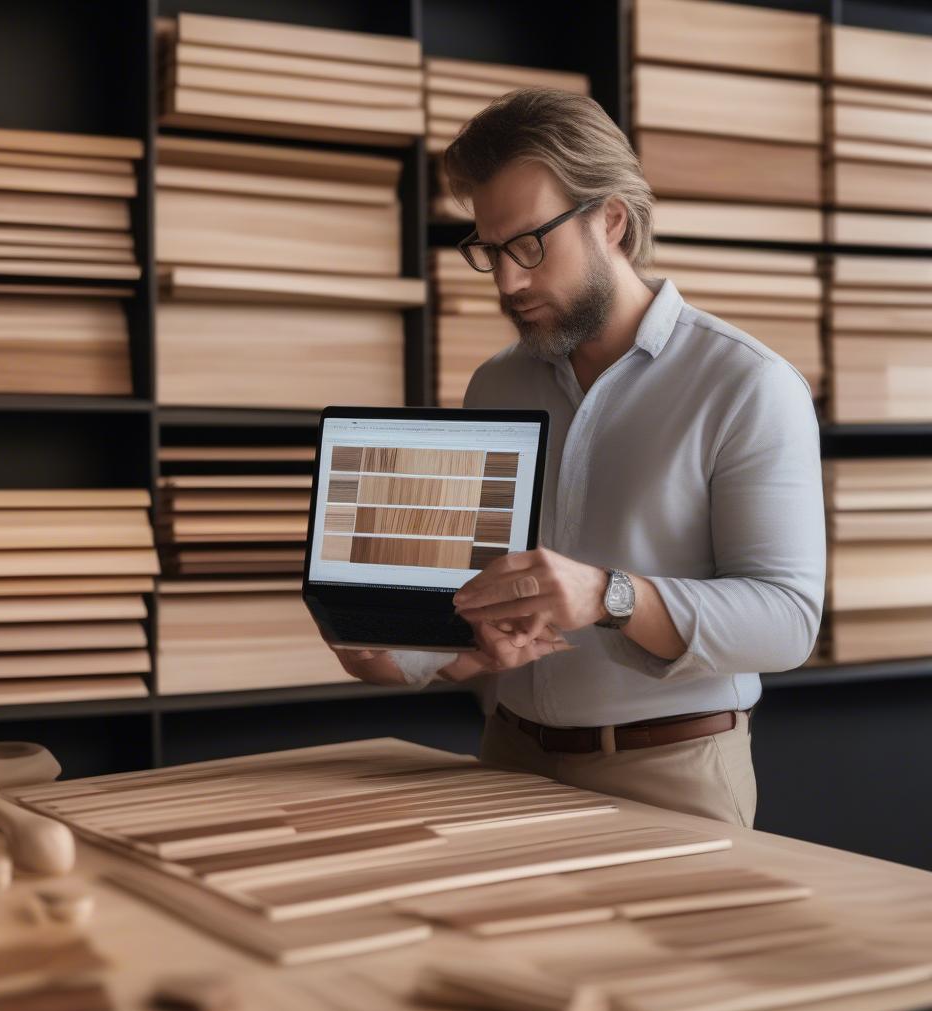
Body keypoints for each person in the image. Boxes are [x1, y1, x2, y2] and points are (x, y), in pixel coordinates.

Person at [329, 89, 826, 828]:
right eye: (490, 251)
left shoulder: (748, 384)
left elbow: (788, 621)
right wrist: (394, 650)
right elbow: (480, 616)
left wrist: (609, 595)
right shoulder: (495, 383)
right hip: (507, 758)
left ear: (612, 220)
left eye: (530, 244)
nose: (507, 282)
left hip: (674, 775)